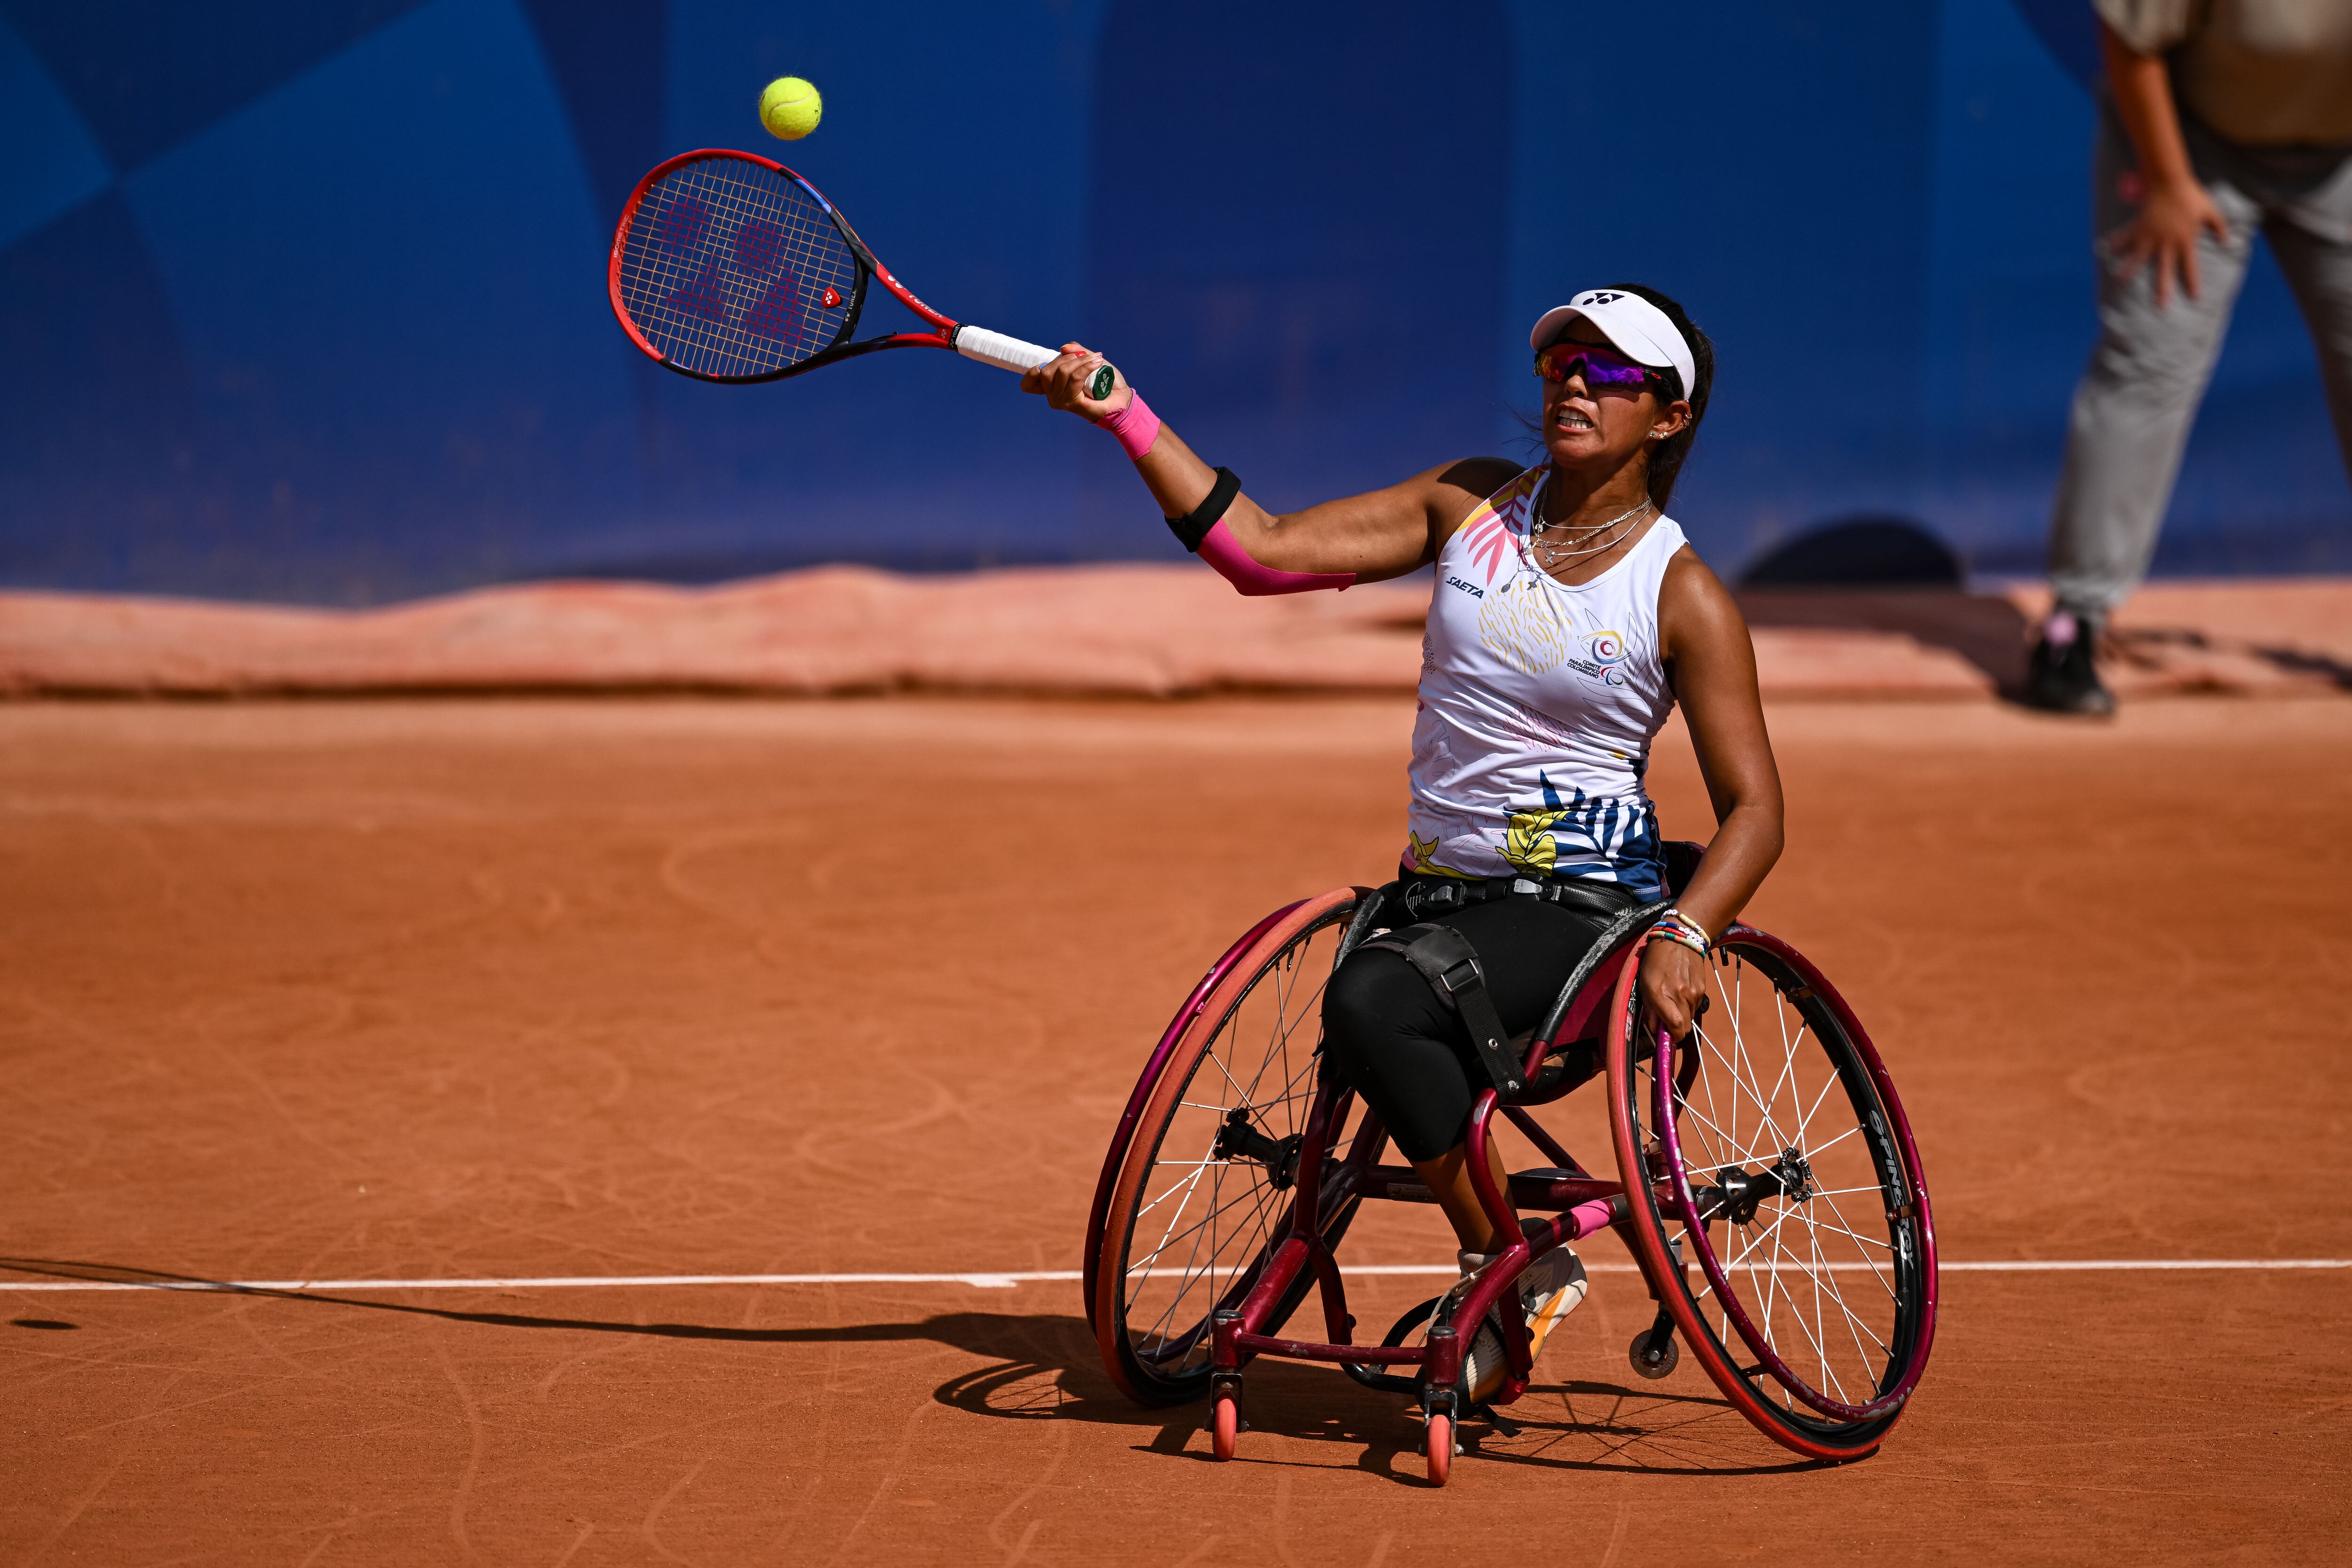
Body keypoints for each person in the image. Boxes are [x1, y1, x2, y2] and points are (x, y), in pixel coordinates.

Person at [1024, 285, 1784, 1401]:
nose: (1574, 380)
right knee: (1378, 985)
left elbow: (1755, 808)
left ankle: (1501, 1260)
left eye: (1611, 370)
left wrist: (1687, 927)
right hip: (1439, 896)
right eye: (1560, 361)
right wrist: (1125, 413)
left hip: (1579, 913)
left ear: (1668, 416)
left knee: (1373, 1001)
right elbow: (1262, 548)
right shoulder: (1469, 506)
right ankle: (1509, 1249)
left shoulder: (1682, 593)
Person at [2029, 0, 2352, 715]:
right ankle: (2070, 627)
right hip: (2188, 145)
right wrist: (2171, 185)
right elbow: (2128, 38)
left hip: (2342, 160)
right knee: (2151, 363)